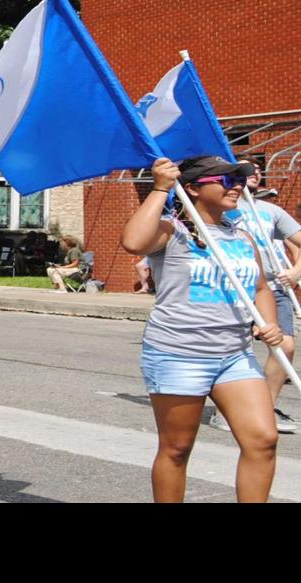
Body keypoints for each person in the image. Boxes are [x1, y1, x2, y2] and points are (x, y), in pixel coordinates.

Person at [120, 155, 283, 503]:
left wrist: (268, 324)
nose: (236, 185)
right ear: (193, 188)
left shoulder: (241, 235)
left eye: (238, 179)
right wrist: (160, 188)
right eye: (225, 180)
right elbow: (133, 242)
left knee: (263, 439)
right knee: (177, 448)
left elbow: (260, 289)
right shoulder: (172, 231)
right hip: (178, 354)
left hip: (235, 356)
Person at [229, 178, 301, 436]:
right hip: (235, 287)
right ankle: (226, 410)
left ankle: (265, 408)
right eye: (245, 170)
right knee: (231, 351)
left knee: (285, 345)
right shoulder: (221, 208)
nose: (253, 175)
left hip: (270, 286)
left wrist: (296, 271)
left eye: (257, 170)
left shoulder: (271, 211)